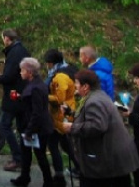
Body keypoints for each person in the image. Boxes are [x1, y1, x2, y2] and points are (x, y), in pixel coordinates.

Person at [62, 69, 138, 187]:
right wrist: (70, 113)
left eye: (76, 83)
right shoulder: (98, 96)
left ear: (85, 86)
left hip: (107, 162)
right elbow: (90, 118)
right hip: (112, 160)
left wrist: (72, 128)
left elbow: (97, 126)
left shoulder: (94, 101)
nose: (75, 86)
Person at [11, 58, 53, 187]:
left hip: (37, 128)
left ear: (29, 72)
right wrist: (20, 97)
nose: (20, 72)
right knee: (26, 152)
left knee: (40, 155)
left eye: (22, 70)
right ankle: (24, 177)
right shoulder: (37, 84)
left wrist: (29, 131)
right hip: (33, 125)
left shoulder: (35, 88)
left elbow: (37, 112)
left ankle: (48, 181)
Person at [0, 29, 30, 172]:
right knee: (22, 128)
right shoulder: (23, 50)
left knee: (5, 125)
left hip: (13, 96)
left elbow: (9, 76)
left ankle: (18, 157)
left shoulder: (14, 53)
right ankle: (24, 157)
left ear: (7, 38)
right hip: (23, 94)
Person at [43, 49, 79, 185]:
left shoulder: (60, 77)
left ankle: (59, 176)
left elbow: (59, 98)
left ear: (52, 63)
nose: (47, 66)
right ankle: (80, 167)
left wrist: (44, 95)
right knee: (66, 144)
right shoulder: (69, 68)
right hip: (67, 110)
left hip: (61, 114)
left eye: (48, 63)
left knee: (53, 144)